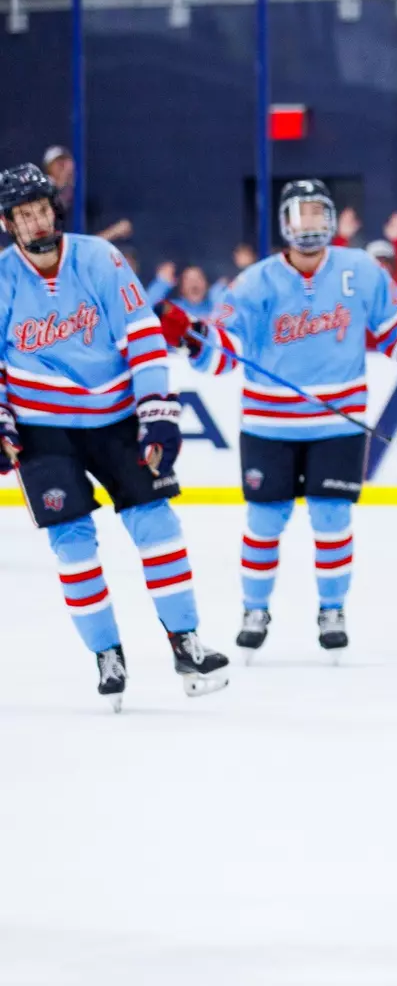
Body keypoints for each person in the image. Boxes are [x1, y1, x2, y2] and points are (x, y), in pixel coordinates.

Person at [158, 179, 397, 660]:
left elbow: (396, 324)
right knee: (264, 520)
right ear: (284, 223)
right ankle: (254, 610)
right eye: (301, 214)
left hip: (338, 424)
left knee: (332, 517)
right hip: (268, 425)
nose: (310, 224)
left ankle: (332, 610)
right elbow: (225, 353)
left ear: (331, 218)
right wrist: (195, 339)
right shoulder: (254, 282)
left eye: (319, 213)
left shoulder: (360, 270)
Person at [0, 163, 228, 708]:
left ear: (54, 210)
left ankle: (185, 642)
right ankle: (106, 653)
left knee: (157, 524)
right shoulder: (3, 276)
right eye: (23, 215)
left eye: (40, 209)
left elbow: (143, 336)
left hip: (116, 417)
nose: (35, 222)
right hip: (41, 431)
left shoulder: (99, 258)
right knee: (72, 543)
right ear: (9, 224)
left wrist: (157, 411)